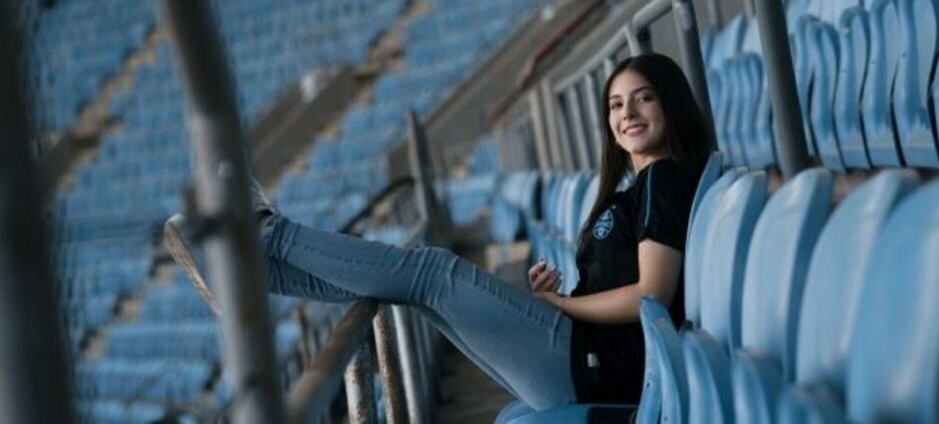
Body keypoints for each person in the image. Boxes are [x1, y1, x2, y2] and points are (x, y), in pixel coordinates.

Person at [164, 53, 713, 411]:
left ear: (671, 102)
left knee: (430, 272)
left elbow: (651, 295)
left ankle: (266, 237)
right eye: (616, 104)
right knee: (416, 290)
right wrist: (562, 293)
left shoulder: (665, 177)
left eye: (643, 97)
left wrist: (562, 306)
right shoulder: (635, 186)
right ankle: (260, 268)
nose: (627, 113)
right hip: (583, 356)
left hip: (596, 368)